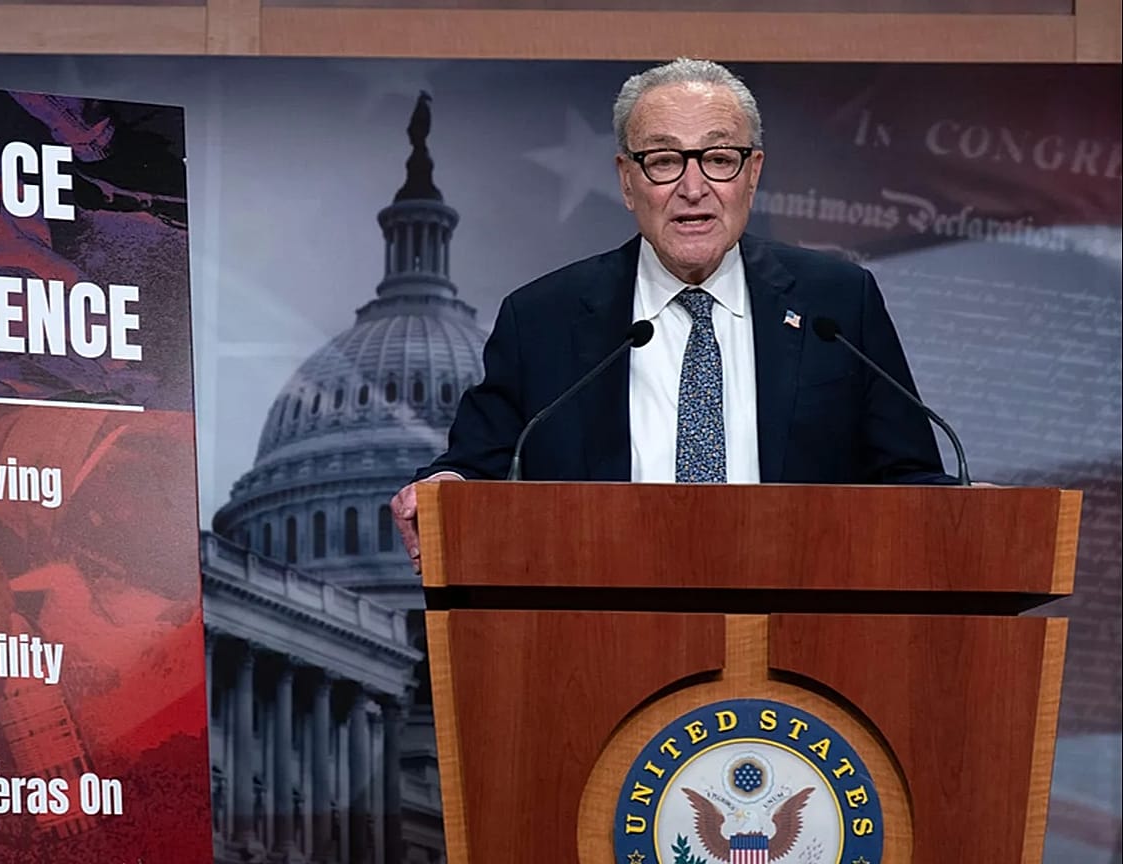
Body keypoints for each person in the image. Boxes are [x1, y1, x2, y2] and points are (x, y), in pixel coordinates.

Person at [390, 57, 954, 572]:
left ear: (752, 173)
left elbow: (908, 478)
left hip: (804, 629)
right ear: (627, 181)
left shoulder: (836, 302)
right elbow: (470, 468)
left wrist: (967, 510)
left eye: (718, 158)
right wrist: (442, 487)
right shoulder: (543, 318)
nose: (693, 187)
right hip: (603, 631)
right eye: (663, 160)